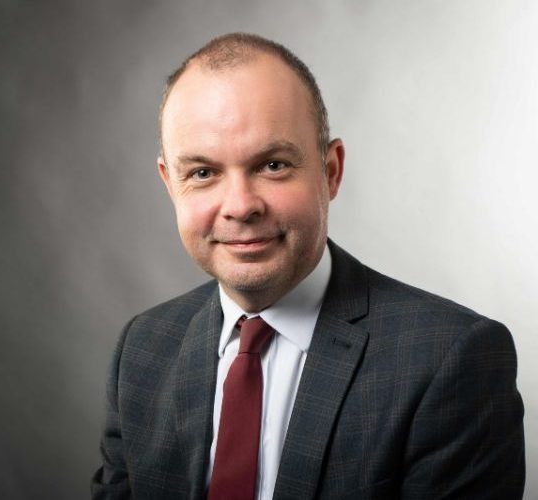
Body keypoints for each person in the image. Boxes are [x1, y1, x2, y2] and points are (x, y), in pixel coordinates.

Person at [91, 33, 525, 499]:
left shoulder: (452, 360)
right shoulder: (142, 349)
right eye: (202, 173)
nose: (240, 206)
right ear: (170, 184)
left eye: (273, 165)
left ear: (331, 170)